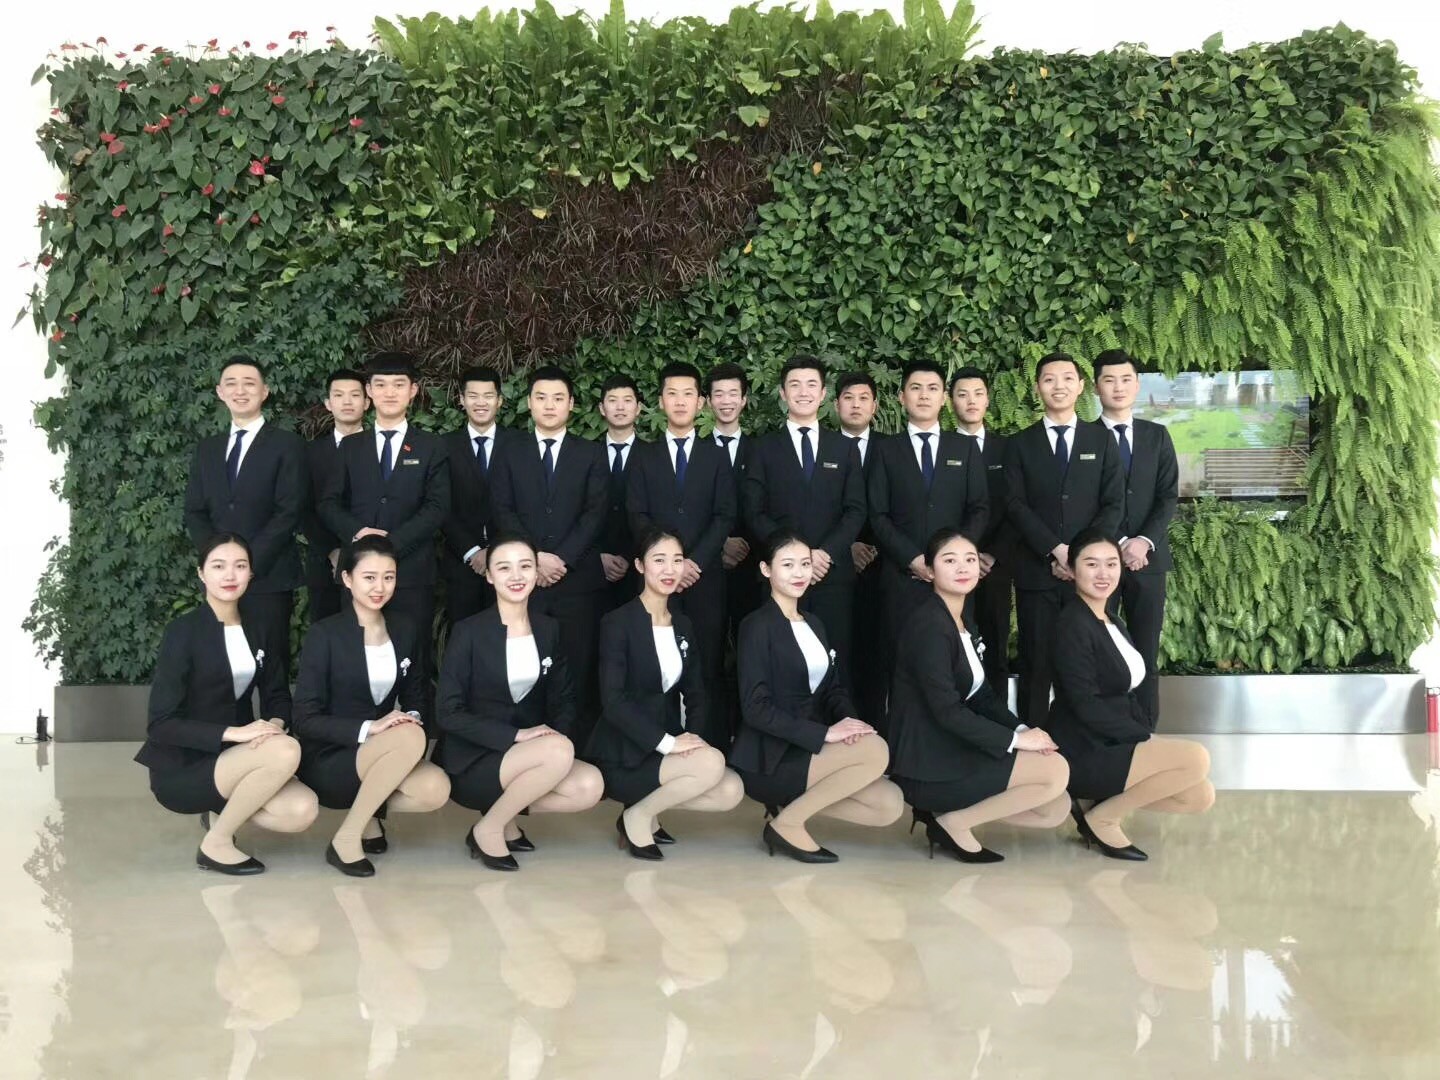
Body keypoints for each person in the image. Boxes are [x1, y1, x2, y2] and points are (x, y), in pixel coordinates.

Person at [135, 533, 318, 874]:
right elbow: (160, 723)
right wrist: (236, 733)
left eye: (240, 566)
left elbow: (278, 696)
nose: (230, 575)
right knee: (286, 751)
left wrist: (272, 727)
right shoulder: (183, 632)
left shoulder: (260, 628)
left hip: (238, 758)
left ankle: (221, 809)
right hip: (184, 765)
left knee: (301, 810)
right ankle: (216, 844)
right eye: (218, 566)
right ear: (202, 573)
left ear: (251, 573)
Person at [887, 529, 1071, 862]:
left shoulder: (961, 620)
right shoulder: (928, 625)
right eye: (950, 560)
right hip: (929, 763)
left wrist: (1022, 730)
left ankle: (948, 816)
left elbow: (981, 696)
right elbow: (947, 711)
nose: (963, 567)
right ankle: (952, 825)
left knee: (1056, 806)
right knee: (1053, 774)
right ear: (929, 570)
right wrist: (1014, 742)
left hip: (955, 746)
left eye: (970, 559)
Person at [730, 531, 903, 863]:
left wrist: (850, 723)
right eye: (788, 565)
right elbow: (755, 709)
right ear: (766, 570)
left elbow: (832, 689)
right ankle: (787, 826)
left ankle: (789, 810)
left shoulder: (815, 624)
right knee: (877, 751)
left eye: (805, 564)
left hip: (810, 749)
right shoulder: (756, 625)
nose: (799, 573)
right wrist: (824, 733)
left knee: (889, 803)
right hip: (771, 756)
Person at [436, 535, 605, 871]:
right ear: (489, 576)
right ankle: (489, 829)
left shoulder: (548, 629)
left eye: (525, 566)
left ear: (536, 572)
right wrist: (516, 737)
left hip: (532, 756)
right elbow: (447, 712)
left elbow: (564, 699)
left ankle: (502, 816)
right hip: (475, 757)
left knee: (589, 786)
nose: (516, 576)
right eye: (504, 568)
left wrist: (553, 739)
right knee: (558, 751)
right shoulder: (469, 631)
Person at [1049, 530, 1214, 861]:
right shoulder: (1072, 624)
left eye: (1111, 564)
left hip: (1112, 737)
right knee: (1195, 758)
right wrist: (1142, 737)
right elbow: (1085, 704)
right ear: (1071, 570)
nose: (1103, 573)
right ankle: (1102, 819)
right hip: (1084, 746)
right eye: (1091, 564)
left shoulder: (1111, 620)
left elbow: (1127, 690)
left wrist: (1140, 734)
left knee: (1199, 796)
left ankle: (1096, 805)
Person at [292, 536, 451, 876]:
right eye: (369, 577)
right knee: (408, 736)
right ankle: (347, 838)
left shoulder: (405, 628)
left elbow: (416, 694)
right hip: (332, 755)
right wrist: (370, 729)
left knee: (435, 788)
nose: (380, 587)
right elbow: (304, 718)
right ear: (347, 579)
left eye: (388, 577)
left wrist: (411, 718)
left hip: (388, 751)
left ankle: (366, 815)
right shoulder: (325, 634)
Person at [587, 527, 744, 858]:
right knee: (712, 765)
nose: (670, 569)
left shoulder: (683, 624)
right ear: (640, 566)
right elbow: (613, 702)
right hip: (626, 752)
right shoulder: (618, 622)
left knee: (731, 790)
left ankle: (644, 810)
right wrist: (667, 743)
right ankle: (637, 817)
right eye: (659, 560)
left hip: (670, 747)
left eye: (677, 560)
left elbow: (697, 692)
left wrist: (694, 738)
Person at [318, 351, 451, 719]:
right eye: (381, 385)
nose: (389, 392)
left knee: (414, 653)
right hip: (357, 572)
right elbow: (328, 503)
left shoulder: (431, 446)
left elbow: (438, 507)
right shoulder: (350, 446)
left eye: (398, 385)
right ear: (369, 392)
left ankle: (416, 726)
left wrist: (389, 545)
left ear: (413, 391)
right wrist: (358, 533)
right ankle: (356, 730)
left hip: (412, 571)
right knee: (355, 651)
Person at [489, 365, 610, 748]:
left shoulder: (591, 453)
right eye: (541, 397)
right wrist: (534, 559)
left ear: (571, 404)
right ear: (529, 403)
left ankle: (578, 748)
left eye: (558, 398)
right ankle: (528, 746)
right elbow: (502, 508)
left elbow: (595, 513)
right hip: (524, 583)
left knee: (578, 665)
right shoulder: (509, 452)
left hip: (577, 582)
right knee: (526, 663)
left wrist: (563, 558)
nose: (549, 405)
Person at [867, 360, 988, 724]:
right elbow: (878, 515)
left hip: (955, 583)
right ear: (902, 397)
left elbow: (979, 508)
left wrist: (953, 561)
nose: (924, 395)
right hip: (902, 579)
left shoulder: (964, 448)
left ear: (944, 398)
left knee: (956, 664)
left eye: (933, 388)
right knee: (900, 665)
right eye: (915, 388)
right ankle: (902, 740)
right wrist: (913, 559)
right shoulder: (885, 449)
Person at [1005, 352, 1123, 725]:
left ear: (1081, 386)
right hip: (1037, 573)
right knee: (1036, 661)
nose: (1059, 386)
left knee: (1092, 662)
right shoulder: (1019, 444)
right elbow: (1015, 505)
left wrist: (1079, 557)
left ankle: (1091, 740)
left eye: (1067, 378)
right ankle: (1034, 740)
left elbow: (1113, 502)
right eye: (1049, 379)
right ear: (1037, 387)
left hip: (1090, 578)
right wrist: (1054, 550)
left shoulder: (1102, 440)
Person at [626, 362, 737, 746]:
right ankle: (660, 743)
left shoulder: (716, 455)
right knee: (655, 663)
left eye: (688, 393)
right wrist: (667, 563)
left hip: (704, 579)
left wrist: (693, 562)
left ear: (700, 402)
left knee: (707, 663)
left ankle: (711, 745)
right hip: (656, 584)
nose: (679, 401)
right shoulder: (643, 455)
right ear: (660, 401)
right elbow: (636, 513)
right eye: (671, 393)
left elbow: (725, 514)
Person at [742, 355, 866, 685]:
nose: (803, 392)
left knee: (836, 662)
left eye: (812, 384)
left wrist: (824, 553)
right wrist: (797, 556)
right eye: (794, 385)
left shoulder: (844, 448)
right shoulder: (763, 448)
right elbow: (753, 512)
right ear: (783, 393)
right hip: (780, 578)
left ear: (823, 393)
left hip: (831, 574)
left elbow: (855, 509)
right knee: (781, 665)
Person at [184, 356, 306, 683]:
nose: (240, 391)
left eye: (249, 383)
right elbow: (195, 510)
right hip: (218, 580)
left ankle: (274, 717)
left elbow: (289, 511)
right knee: (219, 666)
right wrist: (219, 562)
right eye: (232, 384)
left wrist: (248, 564)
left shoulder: (288, 445)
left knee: (271, 666)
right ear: (220, 392)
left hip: (269, 575)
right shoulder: (207, 449)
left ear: (264, 391)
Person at [1091, 349, 1178, 724]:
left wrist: (1143, 541)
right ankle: (1106, 729)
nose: (1118, 387)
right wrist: (1120, 542)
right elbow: (1082, 501)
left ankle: (1146, 730)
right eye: (1109, 380)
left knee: (1145, 650)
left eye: (1126, 379)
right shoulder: (1084, 438)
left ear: (1138, 385)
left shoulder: (1156, 436)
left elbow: (1167, 496)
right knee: (1100, 651)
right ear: (1096, 387)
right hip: (1098, 564)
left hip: (1149, 561)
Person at [949, 366, 1013, 694]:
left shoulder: (1008, 449)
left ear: (988, 399)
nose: (971, 401)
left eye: (978, 394)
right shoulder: (943, 447)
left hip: (994, 565)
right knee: (955, 647)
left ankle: (999, 716)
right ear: (951, 402)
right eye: (962, 395)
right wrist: (963, 555)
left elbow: (1016, 506)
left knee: (996, 647)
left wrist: (992, 554)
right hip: (951, 567)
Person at [707, 361, 758, 740]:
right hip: (705, 566)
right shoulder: (695, 449)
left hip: (752, 567)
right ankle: (712, 735)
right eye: (718, 394)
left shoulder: (762, 450)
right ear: (708, 401)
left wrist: (745, 544)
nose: (726, 401)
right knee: (707, 652)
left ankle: (746, 734)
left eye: (733, 394)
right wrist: (717, 545)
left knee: (749, 654)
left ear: (744, 400)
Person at [442, 364, 517, 625]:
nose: (481, 403)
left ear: (499, 400)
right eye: (473, 396)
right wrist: (472, 550)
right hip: (461, 562)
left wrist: (496, 551)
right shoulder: (443, 446)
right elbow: (440, 505)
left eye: (488, 396)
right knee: (463, 635)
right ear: (462, 400)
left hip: (510, 562)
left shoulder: (520, 444)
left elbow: (525, 503)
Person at [834, 370, 885, 721]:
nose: (856, 405)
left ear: (875, 405)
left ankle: (876, 729)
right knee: (839, 651)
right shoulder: (824, 446)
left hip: (882, 566)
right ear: (836, 404)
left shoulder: (892, 448)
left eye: (864, 398)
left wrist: (875, 548)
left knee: (876, 653)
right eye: (848, 398)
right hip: (834, 567)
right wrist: (846, 547)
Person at [304, 369, 368, 623]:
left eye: (355, 395)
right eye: (339, 395)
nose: (347, 401)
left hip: (372, 557)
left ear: (367, 402)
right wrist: (331, 550)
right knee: (326, 631)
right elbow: (303, 507)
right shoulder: (310, 453)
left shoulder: (382, 449)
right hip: (323, 561)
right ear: (328, 403)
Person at [598, 374, 645, 611]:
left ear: (638, 408)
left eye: (627, 400)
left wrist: (630, 555)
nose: (620, 407)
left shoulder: (654, 456)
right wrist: (598, 556)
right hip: (593, 570)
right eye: (612, 400)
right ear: (602, 408)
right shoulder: (585, 455)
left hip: (641, 569)